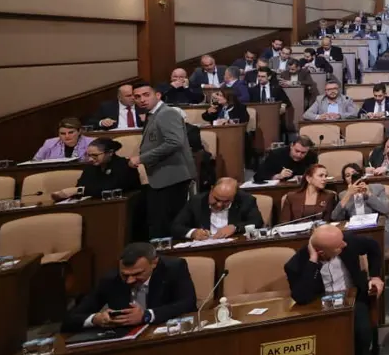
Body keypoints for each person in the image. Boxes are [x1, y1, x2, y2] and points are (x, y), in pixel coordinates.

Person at [285, 225, 384, 355]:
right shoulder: (296, 264)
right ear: (321, 252)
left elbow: (374, 246)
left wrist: (375, 276)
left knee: (361, 332)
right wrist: (313, 262)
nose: (344, 245)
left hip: (353, 300)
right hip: (320, 308)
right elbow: (301, 297)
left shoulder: (347, 241)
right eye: (339, 246)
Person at [62, 242, 197, 332]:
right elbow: (69, 320)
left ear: (154, 263)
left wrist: (147, 316)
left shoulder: (174, 268)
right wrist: (95, 319)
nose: (130, 281)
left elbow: (188, 303)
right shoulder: (110, 280)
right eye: (125, 275)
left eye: (137, 274)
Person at [129, 82, 196, 239]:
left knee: (167, 225)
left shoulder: (166, 113)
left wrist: (142, 158)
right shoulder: (153, 114)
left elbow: (174, 142)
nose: (142, 100)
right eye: (137, 97)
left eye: (146, 95)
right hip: (162, 177)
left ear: (157, 95)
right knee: (159, 223)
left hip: (172, 176)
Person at [171, 177, 265, 240]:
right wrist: (193, 233)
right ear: (212, 189)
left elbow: (257, 221)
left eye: (226, 201)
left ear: (234, 196)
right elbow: (176, 226)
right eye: (216, 199)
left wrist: (235, 227)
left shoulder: (246, 200)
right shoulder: (196, 201)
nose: (219, 205)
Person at [50, 137, 140, 202]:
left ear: (110, 153)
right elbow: (81, 185)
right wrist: (62, 195)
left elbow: (112, 188)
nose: (90, 159)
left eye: (95, 155)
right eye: (88, 155)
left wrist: (79, 190)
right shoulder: (91, 167)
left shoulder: (124, 165)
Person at [254, 137, 319, 183]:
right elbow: (258, 176)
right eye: (297, 151)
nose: (299, 155)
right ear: (291, 146)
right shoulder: (276, 154)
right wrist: (278, 176)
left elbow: (314, 173)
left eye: (303, 153)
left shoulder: (312, 156)